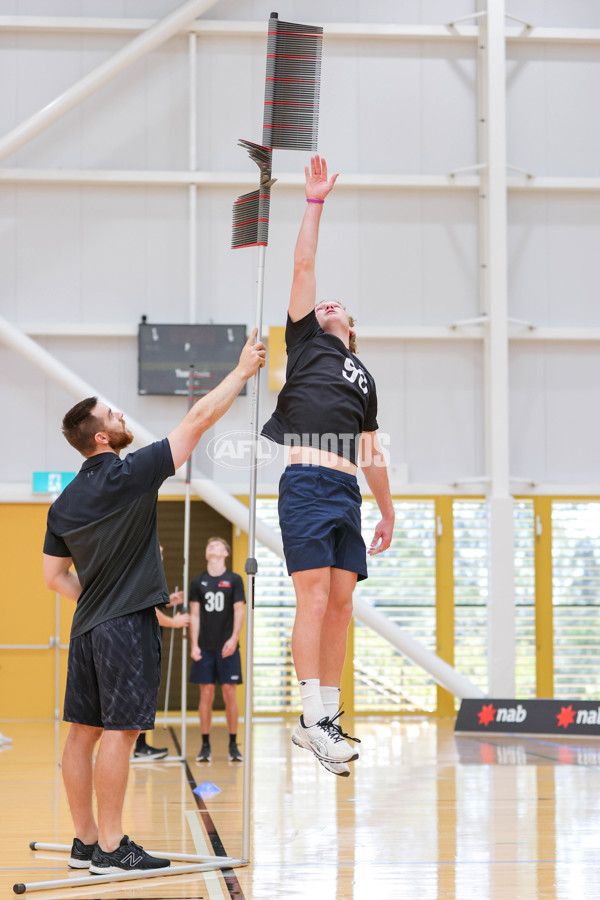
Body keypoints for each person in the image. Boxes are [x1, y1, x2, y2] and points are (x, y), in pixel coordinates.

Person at [42, 332, 265, 874]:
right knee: (121, 731)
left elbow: (53, 577)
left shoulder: (64, 502)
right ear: (101, 437)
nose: (122, 417)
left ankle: (85, 842)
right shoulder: (127, 473)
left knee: (81, 732)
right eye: (113, 414)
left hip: (88, 627)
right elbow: (196, 422)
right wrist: (240, 372)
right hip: (122, 627)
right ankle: (114, 850)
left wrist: (97, 598)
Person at [261, 155, 395, 777]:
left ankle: (329, 716)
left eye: (338, 306)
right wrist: (314, 202)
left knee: (342, 602)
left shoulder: (364, 375)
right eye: (322, 304)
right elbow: (304, 265)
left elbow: (372, 451)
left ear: (352, 327)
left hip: (347, 494)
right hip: (307, 483)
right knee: (312, 598)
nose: (328, 303)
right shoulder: (306, 341)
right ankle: (310, 716)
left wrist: (388, 511)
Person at [189, 537, 245, 763]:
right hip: (205, 646)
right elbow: (194, 615)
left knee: (229, 692)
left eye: (217, 544)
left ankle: (233, 744)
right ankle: (205, 746)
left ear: (226, 553)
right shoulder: (197, 582)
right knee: (206, 693)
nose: (211, 545)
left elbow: (239, 611)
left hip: (227, 646)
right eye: (208, 544)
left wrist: (234, 639)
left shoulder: (234, 579)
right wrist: (194, 644)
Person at [134, 578, 190, 761]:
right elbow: (149, 610)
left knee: (145, 696)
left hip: (147, 644)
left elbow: (151, 604)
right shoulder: (141, 574)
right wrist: (174, 622)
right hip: (139, 645)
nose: (161, 552)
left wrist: (167, 601)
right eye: (159, 549)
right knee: (141, 695)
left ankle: (140, 745)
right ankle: (139, 746)